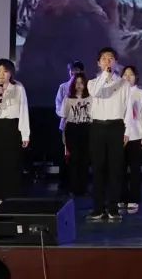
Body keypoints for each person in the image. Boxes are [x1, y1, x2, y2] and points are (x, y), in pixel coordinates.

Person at [86, 47, 130, 222]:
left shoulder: (124, 83)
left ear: (116, 62)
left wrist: (127, 131)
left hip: (116, 127)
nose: (107, 61)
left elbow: (127, 108)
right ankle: (98, 208)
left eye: (111, 58)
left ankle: (113, 208)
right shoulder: (92, 83)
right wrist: (105, 75)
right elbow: (96, 92)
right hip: (97, 127)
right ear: (98, 63)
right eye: (104, 59)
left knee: (115, 169)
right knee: (98, 169)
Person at [0, 59, 31, 208]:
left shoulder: (19, 89)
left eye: (5, 71)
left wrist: (25, 134)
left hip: (13, 127)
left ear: (11, 73)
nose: (1, 75)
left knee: (12, 164)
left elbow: (23, 111)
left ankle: (12, 199)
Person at [118, 66, 142, 212]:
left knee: (135, 171)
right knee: (120, 170)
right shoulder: (118, 92)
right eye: (125, 74)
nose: (127, 77)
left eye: (130, 74)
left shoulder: (140, 94)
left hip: (136, 136)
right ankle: (121, 198)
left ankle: (134, 199)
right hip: (119, 137)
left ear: (135, 77)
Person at [59, 69, 91, 197]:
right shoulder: (68, 98)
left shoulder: (90, 98)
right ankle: (73, 188)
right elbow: (64, 117)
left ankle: (83, 188)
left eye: (81, 83)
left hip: (86, 128)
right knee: (73, 159)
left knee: (84, 159)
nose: (79, 85)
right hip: (72, 128)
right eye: (76, 82)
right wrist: (63, 134)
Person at [54, 61, 85, 191]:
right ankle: (64, 183)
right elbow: (58, 105)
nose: (74, 73)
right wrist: (64, 113)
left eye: (77, 70)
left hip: (82, 125)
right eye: (72, 70)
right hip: (67, 124)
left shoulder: (87, 87)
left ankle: (80, 184)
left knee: (81, 155)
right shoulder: (63, 87)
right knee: (66, 155)